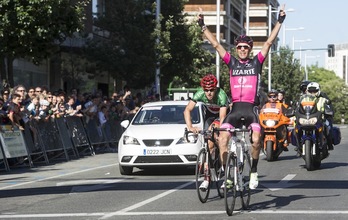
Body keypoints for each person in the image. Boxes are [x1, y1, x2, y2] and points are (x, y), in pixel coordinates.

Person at [198, 5, 286, 189]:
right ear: (237, 49)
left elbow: (269, 43)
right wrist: (203, 26)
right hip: (235, 109)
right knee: (222, 138)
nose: (243, 49)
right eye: (240, 47)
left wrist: (279, 21)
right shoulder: (232, 63)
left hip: (251, 108)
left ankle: (253, 172)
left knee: (255, 140)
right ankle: (228, 176)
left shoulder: (257, 62)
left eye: (246, 47)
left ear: (250, 49)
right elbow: (216, 45)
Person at [184, 74, 229, 190]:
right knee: (208, 144)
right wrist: (190, 126)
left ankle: (226, 170)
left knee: (218, 137)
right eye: (206, 90)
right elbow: (187, 110)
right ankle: (207, 177)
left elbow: (222, 117)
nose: (208, 93)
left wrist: (219, 132)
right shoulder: (199, 93)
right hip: (209, 116)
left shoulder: (221, 95)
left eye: (211, 90)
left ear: (215, 88)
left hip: (222, 115)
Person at [306, 82, 334, 150]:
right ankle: (299, 145)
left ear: (318, 90)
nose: (312, 92)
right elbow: (299, 107)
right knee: (297, 127)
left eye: (314, 91)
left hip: (321, 118)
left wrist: (329, 111)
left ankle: (329, 144)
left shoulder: (323, 97)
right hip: (308, 118)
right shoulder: (305, 98)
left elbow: (329, 106)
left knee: (328, 128)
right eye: (310, 91)